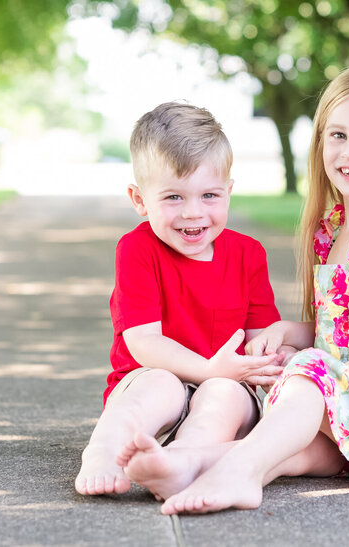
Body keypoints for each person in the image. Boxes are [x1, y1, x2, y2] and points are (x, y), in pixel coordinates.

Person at [118, 61, 349, 513]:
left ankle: (240, 476)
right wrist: (292, 333)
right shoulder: (334, 231)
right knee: (300, 450)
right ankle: (188, 463)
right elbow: (347, 335)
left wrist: (304, 377)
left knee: (303, 383)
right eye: (338, 135)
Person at [74, 102, 285, 496]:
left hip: (228, 384)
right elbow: (144, 341)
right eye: (173, 197)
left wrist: (268, 357)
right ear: (139, 200)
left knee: (222, 397)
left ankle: (181, 461)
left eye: (209, 195)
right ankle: (104, 449)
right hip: (151, 381)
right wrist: (210, 369)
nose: (193, 213)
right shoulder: (137, 250)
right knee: (162, 386)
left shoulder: (248, 254)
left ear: (229, 192)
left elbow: (262, 335)